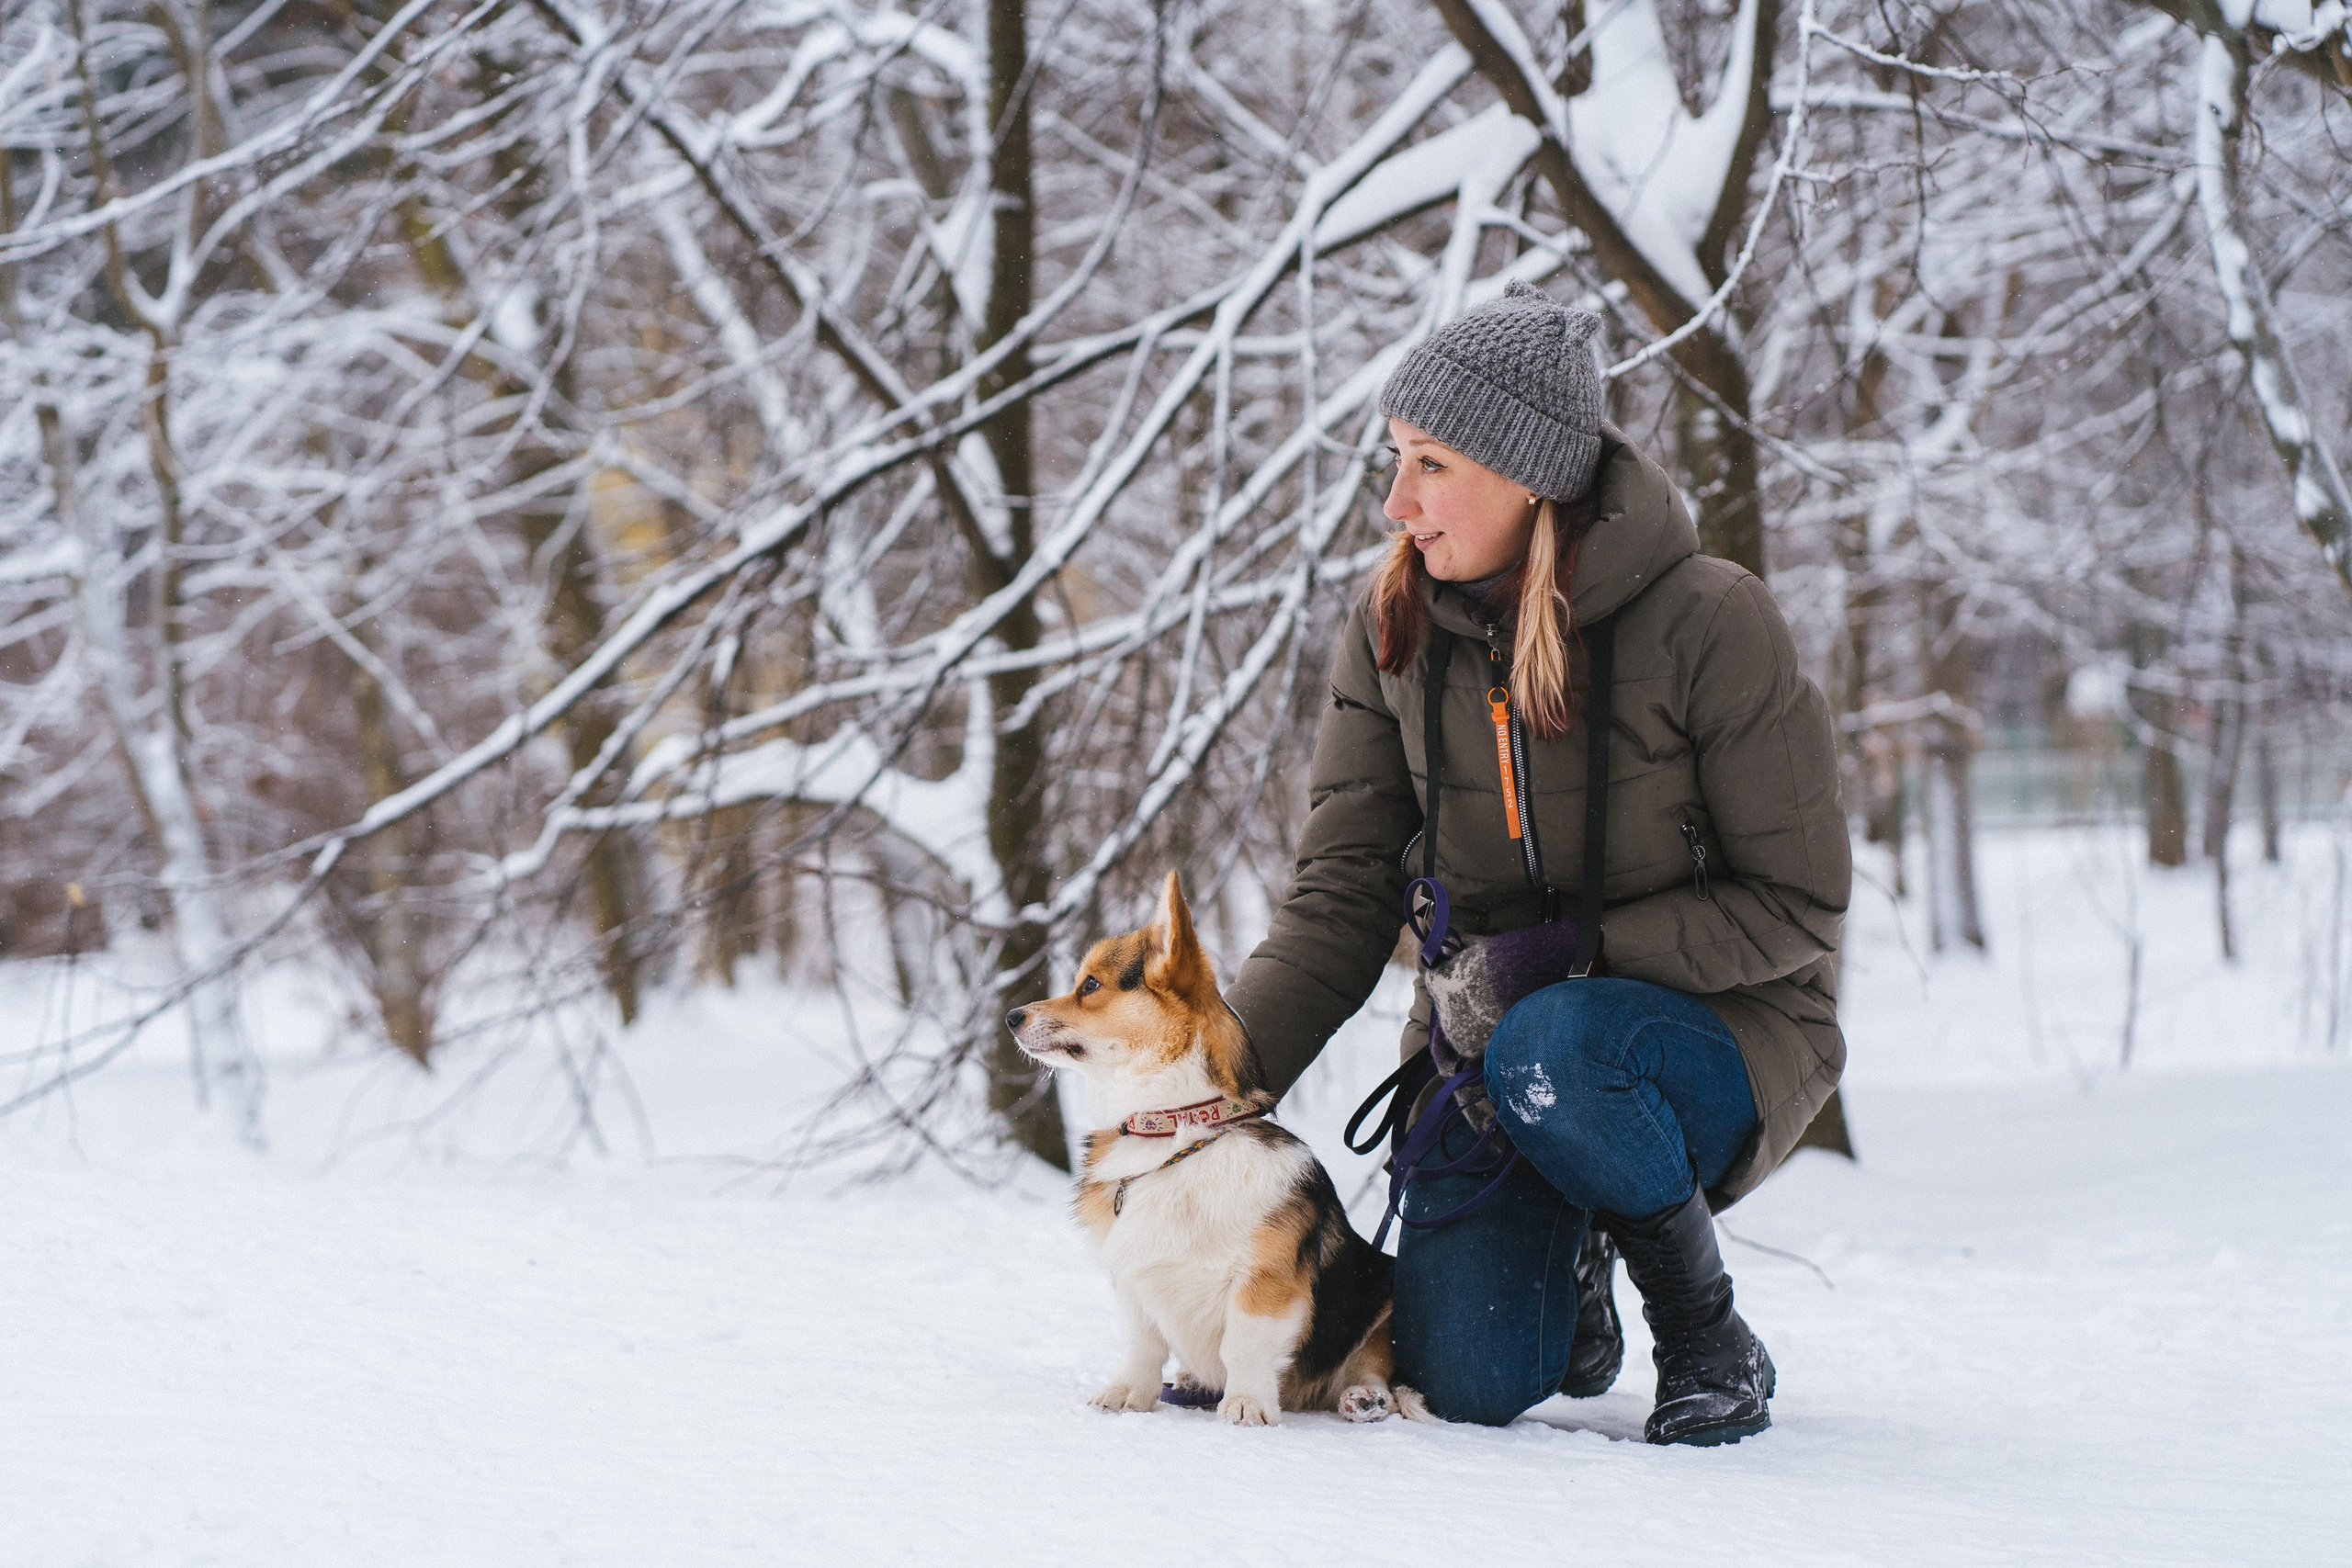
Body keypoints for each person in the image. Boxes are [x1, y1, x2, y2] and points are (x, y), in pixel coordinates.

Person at [1225, 281, 1850, 1446]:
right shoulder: (1390, 633)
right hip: (1487, 1047)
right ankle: (1573, 1254)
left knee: (1557, 1041)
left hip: (1709, 1040)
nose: (1395, 501)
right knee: (1461, 1381)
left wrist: (1555, 959)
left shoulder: (1712, 622)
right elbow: (1345, 887)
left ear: (1532, 476)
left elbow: (1799, 903)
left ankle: (1704, 1328)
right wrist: (1219, 1068)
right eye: (1394, 457)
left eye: (1432, 464)